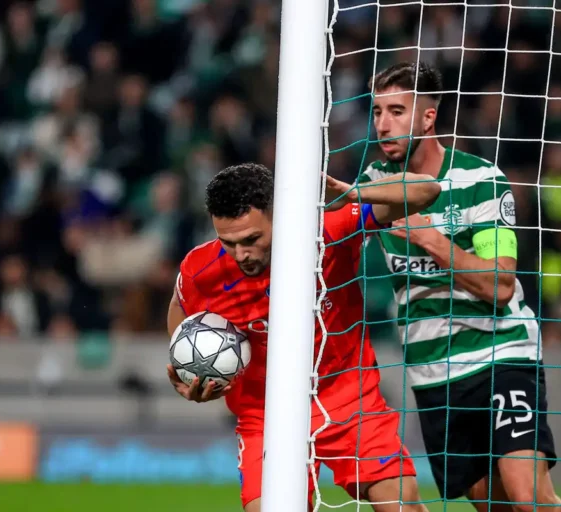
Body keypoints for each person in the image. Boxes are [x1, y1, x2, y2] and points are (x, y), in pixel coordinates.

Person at [166, 162, 440, 512]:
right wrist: (190, 368)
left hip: (348, 397)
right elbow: (180, 308)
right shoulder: (201, 269)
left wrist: (352, 193)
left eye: (251, 239)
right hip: (266, 414)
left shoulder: (327, 229)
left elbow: (427, 190)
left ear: (279, 214)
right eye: (228, 243)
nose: (241, 254)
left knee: (400, 504)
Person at [358, 61, 561, 512]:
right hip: (432, 372)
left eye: (396, 111)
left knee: (529, 498)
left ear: (428, 117)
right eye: (377, 112)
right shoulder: (373, 185)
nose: (383, 124)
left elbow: (501, 285)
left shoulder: (480, 180)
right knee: (495, 505)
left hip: (500, 353)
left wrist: (433, 241)